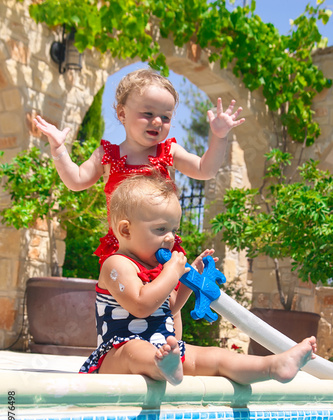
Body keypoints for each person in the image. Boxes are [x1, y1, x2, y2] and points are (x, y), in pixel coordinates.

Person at [78, 172, 317, 386]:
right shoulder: (117, 265)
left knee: (216, 356)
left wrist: (187, 280)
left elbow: (169, 307)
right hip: (116, 356)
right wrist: (172, 273)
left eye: (174, 229)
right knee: (135, 350)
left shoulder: (160, 271)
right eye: (161, 229)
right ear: (126, 230)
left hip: (163, 351)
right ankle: (163, 366)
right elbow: (141, 305)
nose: (171, 238)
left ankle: (273, 366)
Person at [34, 68, 245, 265]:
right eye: (148, 114)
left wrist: (219, 137)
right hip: (122, 249)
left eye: (165, 117)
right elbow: (76, 181)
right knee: (127, 301)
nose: (157, 122)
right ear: (122, 114)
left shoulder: (168, 152)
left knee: (167, 303)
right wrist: (59, 149)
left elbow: (204, 169)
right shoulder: (106, 155)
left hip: (162, 248)